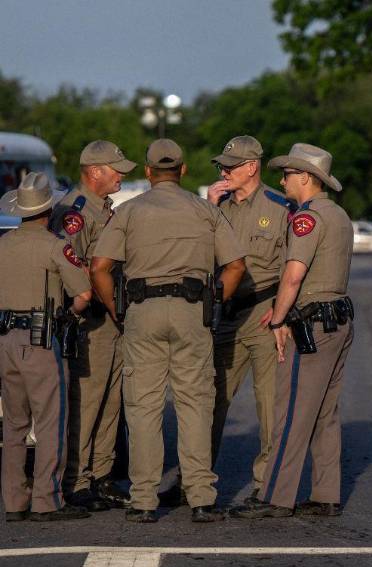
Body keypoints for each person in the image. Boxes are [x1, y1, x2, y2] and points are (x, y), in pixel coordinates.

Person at [90, 139, 246, 523]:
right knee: (195, 404)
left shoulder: (129, 211)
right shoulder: (205, 210)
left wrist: (117, 310)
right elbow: (236, 266)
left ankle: (143, 500)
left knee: (143, 406)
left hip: (141, 311)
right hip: (192, 311)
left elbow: (99, 267)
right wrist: (214, 301)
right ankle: (201, 498)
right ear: (183, 170)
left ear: (147, 172)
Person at [159, 136, 296, 508]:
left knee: (270, 405)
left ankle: (267, 485)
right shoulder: (214, 208)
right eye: (221, 166)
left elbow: (296, 264)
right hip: (225, 316)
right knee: (207, 401)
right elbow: (195, 255)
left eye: (230, 166)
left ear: (252, 167)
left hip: (265, 313)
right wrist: (208, 208)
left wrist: (284, 311)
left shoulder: (280, 207)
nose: (223, 172)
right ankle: (193, 481)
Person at [230, 143, 354, 519]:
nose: (282, 181)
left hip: (311, 323)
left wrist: (278, 319)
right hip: (338, 318)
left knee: (291, 413)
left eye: (287, 174)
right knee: (324, 412)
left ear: (305, 177)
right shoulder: (339, 214)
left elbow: (293, 275)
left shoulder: (307, 218)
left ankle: (274, 496)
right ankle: (326, 494)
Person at [0, 172, 93, 521]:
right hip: (40, 337)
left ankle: (14, 501)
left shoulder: (3, 244)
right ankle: (46, 499)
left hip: (5, 338)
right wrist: (68, 315)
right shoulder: (55, 246)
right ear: (48, 209)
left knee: (14, 425)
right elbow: (83, 295)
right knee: (51, 421)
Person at [49, 140, 136, 511]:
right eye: (116, 170)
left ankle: (101, 475)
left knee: (111, 401)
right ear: (95, 171)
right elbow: (72, 267)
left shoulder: (103, 208)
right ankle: (77, 479)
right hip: (91, 320)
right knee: (86, 402)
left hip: (112, 317)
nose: (121, 176)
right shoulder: (76, 211)